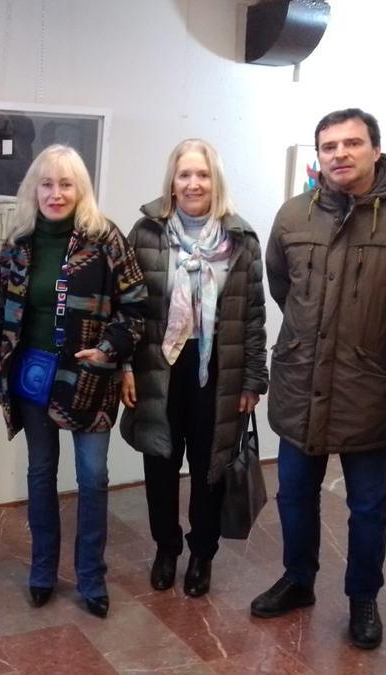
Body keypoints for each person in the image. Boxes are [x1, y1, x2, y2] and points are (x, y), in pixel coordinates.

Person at [250, 109, 386, 650]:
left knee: (369, 505)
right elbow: (283, 287)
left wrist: (378, 343)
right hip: (301, 381)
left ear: (376, 150)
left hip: (370, 386)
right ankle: (297, 579)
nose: (339, 154)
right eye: (328, 146)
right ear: (318, 156)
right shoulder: (293, 216)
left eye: (352, 143)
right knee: (294, 496)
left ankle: (363, 598)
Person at [0, 144, 146, 618]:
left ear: (82, 189)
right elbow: (4, 308)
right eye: (48, 184)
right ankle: (42, 572)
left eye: (67, 184)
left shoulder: (106, 239)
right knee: (40, 474)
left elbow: (136, 307)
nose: (57, 193)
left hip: (90, 380)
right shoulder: (18, 243)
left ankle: (92, 578)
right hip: (32, 378)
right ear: (34, 188)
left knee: (93, 479)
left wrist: (109, 350)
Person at [118, 139, 267, 597]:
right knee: (159, 463)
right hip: (158, 367)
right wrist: (125, 366)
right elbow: (124, 307)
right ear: (172, 181)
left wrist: (253, 379)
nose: (193, 183)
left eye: (202, 174)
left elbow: (255, 315)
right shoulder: (145, 233)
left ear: (214, 180)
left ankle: (202, 553)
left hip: (218, 372)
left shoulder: (241, 239)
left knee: (211, 468)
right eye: (184, 174)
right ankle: (167, 548)